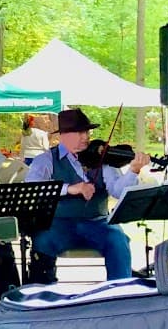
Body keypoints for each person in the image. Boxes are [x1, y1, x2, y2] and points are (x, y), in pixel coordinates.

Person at [24, 108, 149, 281]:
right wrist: (70, 188)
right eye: (79, 132)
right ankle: (42, 295)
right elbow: (32, 187)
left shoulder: (101, 157)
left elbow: (118, 191)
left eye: (87, 131)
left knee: (118, 240)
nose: (86, 136)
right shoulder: (46, 160)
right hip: (60, 224)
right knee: (42, 240)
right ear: (64, 135)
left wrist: (133, 171)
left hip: (97, 222)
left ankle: (120, 292)